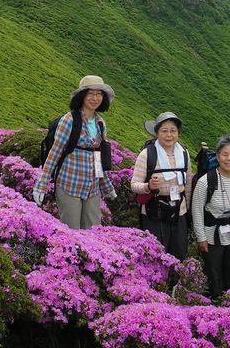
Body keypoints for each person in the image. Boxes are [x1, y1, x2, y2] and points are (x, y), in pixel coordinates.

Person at [33, 75, 117, 229]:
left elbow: (98, 157)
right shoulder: (69, 120)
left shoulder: (100, 124)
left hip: (92, 187)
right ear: (82, 96)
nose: (95, 98)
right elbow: (55, 152)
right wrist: (42, 184)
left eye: (99, 94)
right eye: (90, 93)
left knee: (94, 230)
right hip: (69, 183)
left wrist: (105, 185)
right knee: (71, 230)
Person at [191, 135, 230, 298]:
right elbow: (197, 210)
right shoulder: (206, 181)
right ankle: (214, 307)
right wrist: (201, 237)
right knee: (213, 276)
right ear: (218, 156)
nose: (229, 159)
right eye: (225, 154)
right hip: (212, 238)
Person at [130, 112, 192, 260]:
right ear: (156, 133)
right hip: (154, 211)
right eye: (164, 131)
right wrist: (148, 186)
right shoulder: (147, 154)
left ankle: (175, 282)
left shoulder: (184, 153)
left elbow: (188, 183)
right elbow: (134, 185)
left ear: (178, 133)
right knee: (155, 254)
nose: (169, 135)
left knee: (179, 253)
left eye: (173, 130)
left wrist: (188, 209)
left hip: (179, 211)